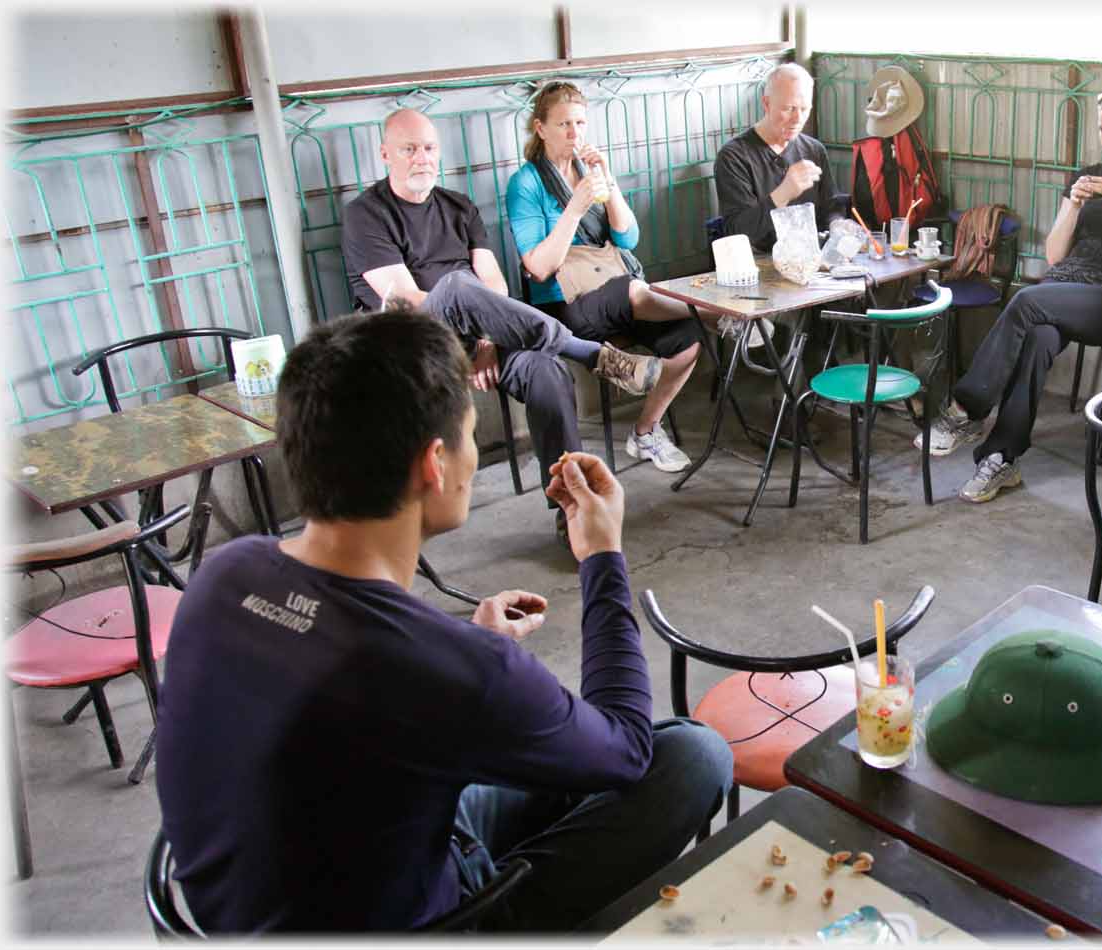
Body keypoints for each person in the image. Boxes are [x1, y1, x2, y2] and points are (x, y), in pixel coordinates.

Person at [154, 308, 732, 933]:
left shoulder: (224, 575)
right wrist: (601, 554)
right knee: (694, 757)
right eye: (469, 435)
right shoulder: (447, 668)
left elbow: (357, 689)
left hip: (256, 909)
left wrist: (470, 650)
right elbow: (625, 751)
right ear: (434, 463)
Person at [343, 108, 663, 516]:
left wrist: (486, 342)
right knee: (456, 286)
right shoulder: (365, 214)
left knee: (546, 371)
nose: (422, 158)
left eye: (429, 148)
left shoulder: (458, 206)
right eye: (409, 149)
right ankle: (590, 353)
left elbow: (495, 285)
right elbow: (407, 299)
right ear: (386, 154)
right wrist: (473, 329)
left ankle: (571, 509)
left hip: (481, 337)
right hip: (415, 344)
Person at [920, 87, 1102, 503]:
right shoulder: (1089, 174)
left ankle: (966, 409)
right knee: (1038, 335)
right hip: (1066, 284)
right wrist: (1074, 206)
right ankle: (1001, 459)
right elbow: (1054, 255)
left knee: (1026, 301)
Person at [507, 82, 706, 473]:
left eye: (580, 123)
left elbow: (628, 238)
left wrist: (608, 180)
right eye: (563, 124)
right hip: (563, 305)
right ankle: (718, 312)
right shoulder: (526, 182)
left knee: (687, 339)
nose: (574, 133)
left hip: (617, 291)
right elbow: (539, 268)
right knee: (634, 291)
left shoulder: (588, 170)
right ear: (540, 128)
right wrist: (574, 209)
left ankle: (645, 432)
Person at [715, 62, 848, 252]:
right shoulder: (734, 157)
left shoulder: (813, 150)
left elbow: (830, 206)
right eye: (789, 108)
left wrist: (838, 225)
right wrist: (783, 193)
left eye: (804, 109)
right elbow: (738, 231)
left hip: (809, 256)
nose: (798, 118)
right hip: (762, 260)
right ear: (766, 104)